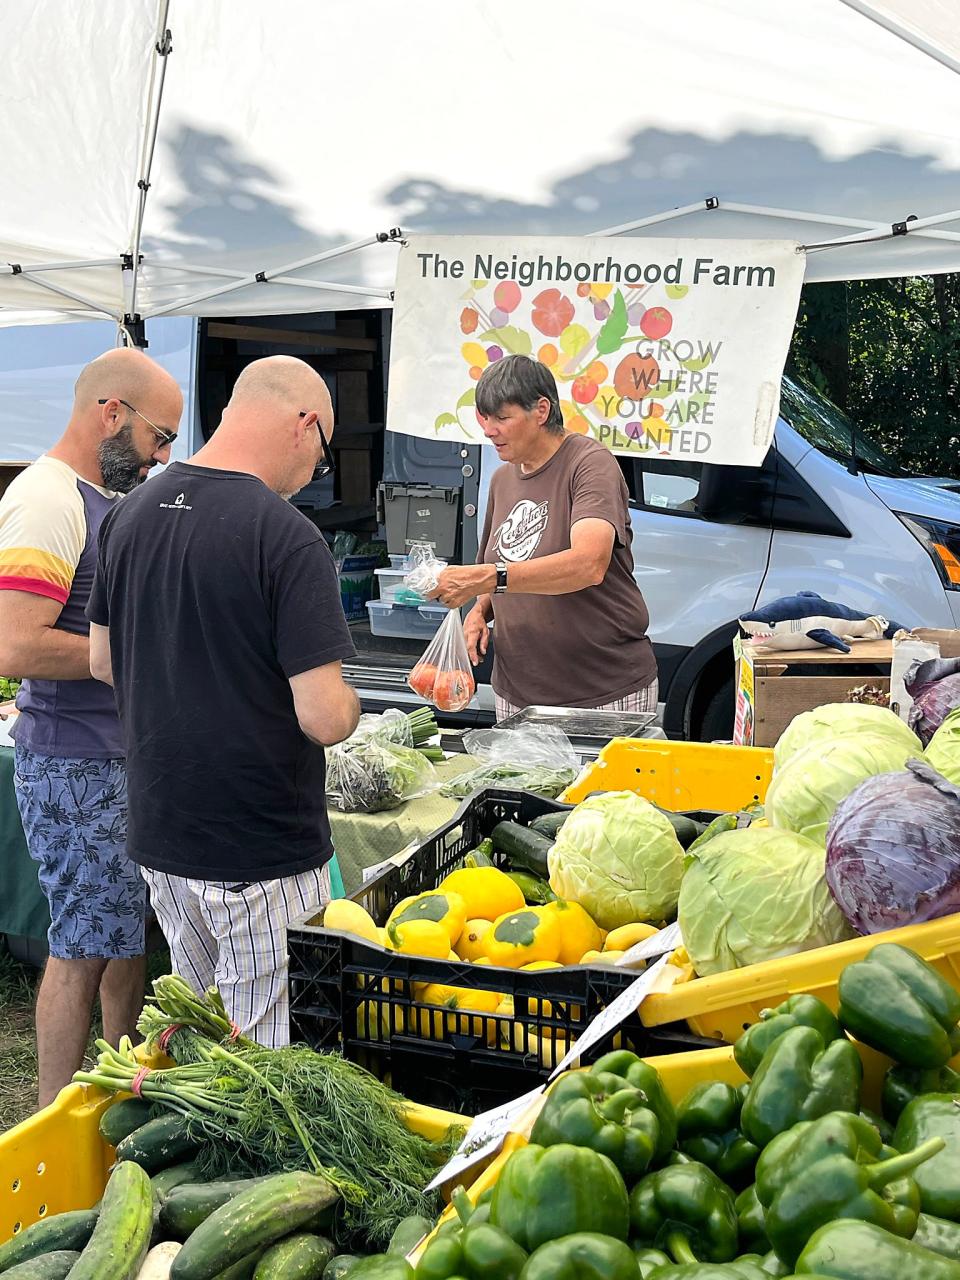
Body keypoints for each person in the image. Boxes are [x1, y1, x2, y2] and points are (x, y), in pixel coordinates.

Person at [87, 355, 360, 1046]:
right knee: (267, 1057)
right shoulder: (289, 537)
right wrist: (356, 702)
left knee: (202, 1036)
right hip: (259, 844)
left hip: (163, 832)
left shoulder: (128, 514)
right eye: (322, 453)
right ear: (304, 425)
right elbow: (324, 717)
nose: (313, 473)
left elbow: (101, 660)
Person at [0, 347, 183, 1106]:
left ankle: (115, 1093)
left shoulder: (97, 496)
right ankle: (50, 1119)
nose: (162, 456)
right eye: (159, 437)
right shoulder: (47, 499)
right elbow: (15, 642)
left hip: (116, 757)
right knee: (79, 948)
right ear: (113, 412)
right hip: (75, 764)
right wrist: (140, 658)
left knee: (121, 941)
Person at [430, 354, 658, 719]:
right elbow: (499, 562)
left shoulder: (589, 464)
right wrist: (479, 610)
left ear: (541, 410)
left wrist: (488, 579)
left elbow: (589, 564)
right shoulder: (502, 480)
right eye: (484, 418)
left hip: (601, 694)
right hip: (516, 693)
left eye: (502, 417)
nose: (489, 430)